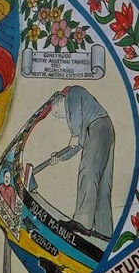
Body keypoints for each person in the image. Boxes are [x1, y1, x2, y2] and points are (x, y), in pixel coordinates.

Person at [49, 85, 114, 240]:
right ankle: (104, 231)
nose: (60, 118)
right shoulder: (84, 117)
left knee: (88, 173)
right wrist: (60, 156)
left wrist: (74, 134)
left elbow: (76, 132)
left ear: (60, 102)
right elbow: (78, 145)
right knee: (103, 182)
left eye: (56, 113)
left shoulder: (73, 93)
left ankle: (82, 223)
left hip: (97, 128)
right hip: (105, 129)